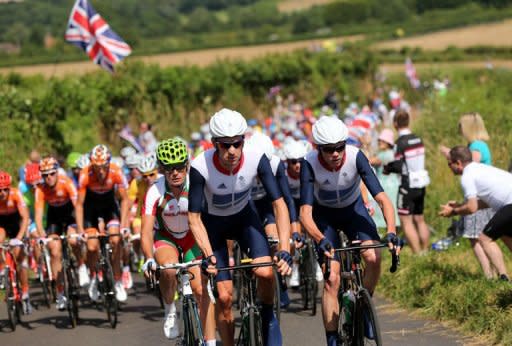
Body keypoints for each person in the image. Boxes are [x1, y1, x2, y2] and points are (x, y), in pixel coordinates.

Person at [188, 108, 292, 346]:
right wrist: (208, 255)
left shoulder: (257, 158)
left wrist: (284, 247)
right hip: (213, 226)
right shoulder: (200, 166)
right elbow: (194, 218)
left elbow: (279, 204)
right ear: (214, 143)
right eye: (225, 145)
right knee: (224, 298)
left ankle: (267, 316)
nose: (232, 151)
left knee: (265, 272)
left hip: (245, 220)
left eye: (237, 144)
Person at [299, 116, 400, 346]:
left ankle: (364, 306)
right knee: (331, 279)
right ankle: (332, 339)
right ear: (318, 148)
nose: (335, 153)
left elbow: (383, 199)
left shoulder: (356, 156)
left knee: (373, 257)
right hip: (324, 217)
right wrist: (319, 238)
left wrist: (392, 231)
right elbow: (305, 214)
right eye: (329, 149)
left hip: (353, 210)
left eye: (340, 147)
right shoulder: (309, 163)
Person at [141, 138, 215, 343]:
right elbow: (146, 232)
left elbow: (211, 220)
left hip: (192, 239)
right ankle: (170, 308)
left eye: (180, 167)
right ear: (162, 169)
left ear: (187, 165)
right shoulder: (154, 191)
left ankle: (209, 342)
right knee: (168, 269)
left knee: (201, 291)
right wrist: (148, 258)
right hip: (167, 238)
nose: (175, 173)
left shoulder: (197, 184)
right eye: (169, 168)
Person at [439, 146, 512, 281]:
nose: (449, 167)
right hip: (508, 202)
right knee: (506, 235)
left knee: (484, 239)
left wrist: (453, 211)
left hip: (510, 203)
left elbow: (471, 208)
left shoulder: (467, 176)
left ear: (458, 163)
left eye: (449, 164)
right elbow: (486, 203)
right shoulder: (480, 168)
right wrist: (460, 206)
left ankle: (504, 280)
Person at [440, 113, 497, 278]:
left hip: (479, 198)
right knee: (480, 238)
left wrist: (450, 155)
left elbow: (470, 165)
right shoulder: (477, 144)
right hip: (480, 196)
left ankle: (490, 275)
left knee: (475, 237)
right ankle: (493, 274)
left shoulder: (477, 146)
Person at [75, 144, 131, 302]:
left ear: (108, 164)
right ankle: (93, 277)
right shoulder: (85, 174)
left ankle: (118, 280)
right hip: (90, 209)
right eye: (96, 167)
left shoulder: (116, 171)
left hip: (109, 207)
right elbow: (79, 204)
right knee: (92, 247)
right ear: (91, 164)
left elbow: (125, 200)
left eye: (103, 167)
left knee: (116, 240)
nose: (100, 171)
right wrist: (80, 230)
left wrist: (125, 225)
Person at [34, 157, 83, 309]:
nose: (48, 178)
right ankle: (60, 290)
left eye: (51, 174)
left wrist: (80, 230)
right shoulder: (40, 189)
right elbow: (38, 215)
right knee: (54, 251)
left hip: (70, 215)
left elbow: (78, 206)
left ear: (57, 172)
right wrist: (42, 235)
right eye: (45, 175)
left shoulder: (66, 182)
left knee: (73, 240)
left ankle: (81, 266)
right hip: (54, 219)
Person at [384, 110, 430, 254]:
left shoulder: (400, 142)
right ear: (408, 121)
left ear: (395, 124)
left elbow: (398, 165)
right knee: (420, 219)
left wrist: (387, 168)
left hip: (407, 184)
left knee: (406, 221)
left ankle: (417, 254)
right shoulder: (418, 138)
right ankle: (426, 250)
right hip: (421, 182)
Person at [0, 170, 32, 314]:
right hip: (1, 224)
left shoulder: (16, 194)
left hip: (16, 223)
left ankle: (24, 291)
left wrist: (19, 238)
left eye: (5, 189)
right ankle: (2, 271)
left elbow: (25, 217)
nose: (2, 193)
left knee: (19, 256)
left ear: (9, 188)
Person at [369, 129, 401, 230]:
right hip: (394, 183)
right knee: (392, 207)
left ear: (388, 143)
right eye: (379, 140)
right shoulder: (392, 153)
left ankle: (387, 230)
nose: (380, 142)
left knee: (383, 207)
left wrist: (367, 145)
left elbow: (368, 161)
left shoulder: (384, 155)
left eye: (383, 140)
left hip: (386, 185)